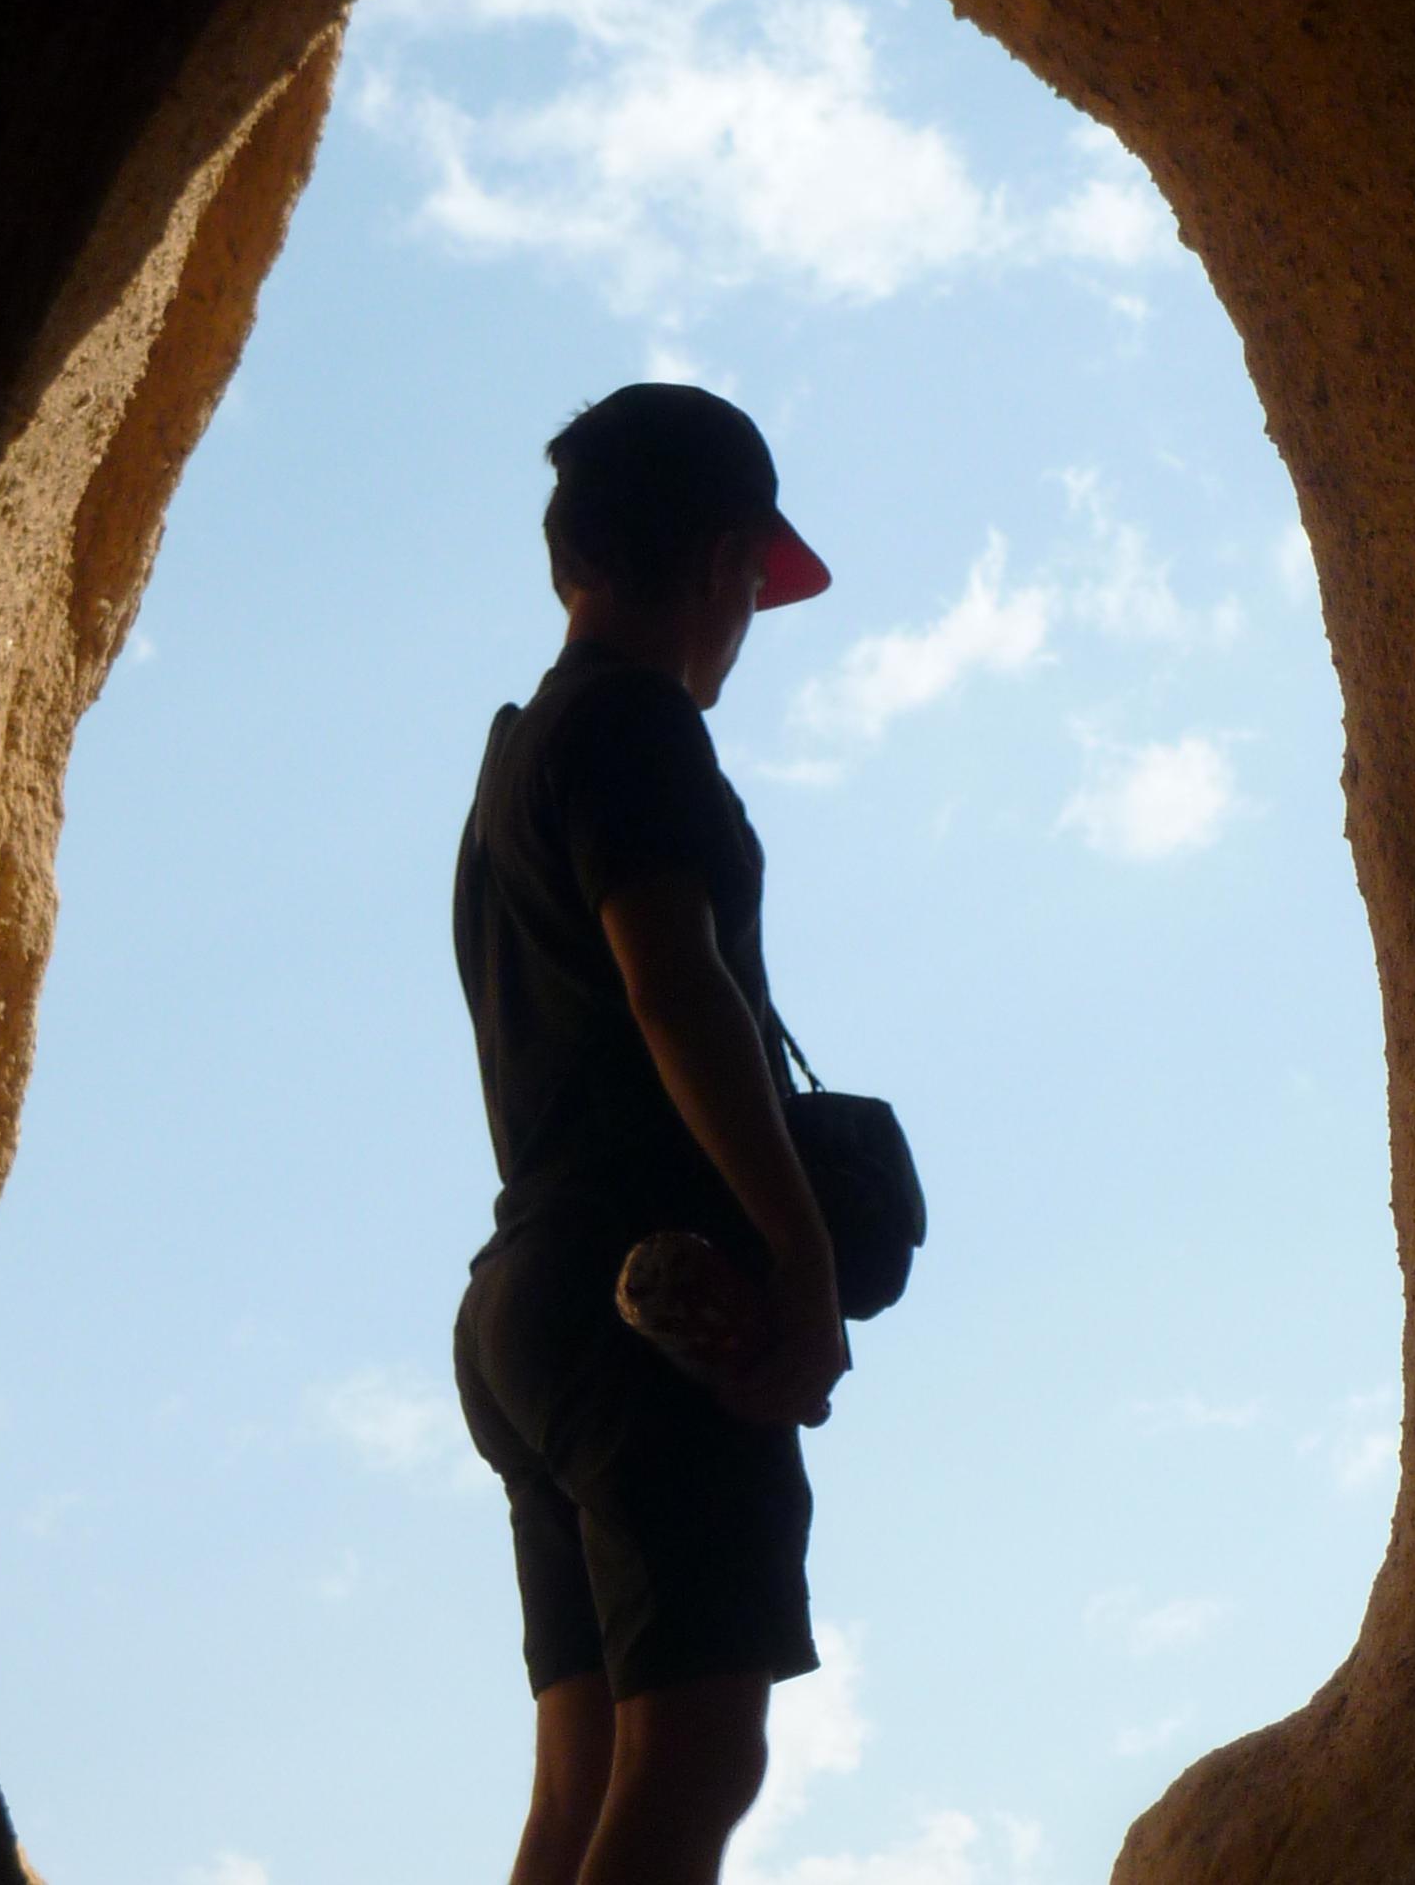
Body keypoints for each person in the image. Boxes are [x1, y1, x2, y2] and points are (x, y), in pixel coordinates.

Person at [451, 383, 847, 1885]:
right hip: (649, 1299)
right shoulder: (632, 721)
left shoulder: (514, 758)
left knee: (587, 1777)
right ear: (715, 563)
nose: (749, 615)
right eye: (753, 581)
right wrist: (799, 1254)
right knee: (695, 1757)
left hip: (528, 1303)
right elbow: (675, 987)